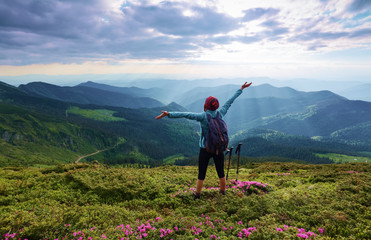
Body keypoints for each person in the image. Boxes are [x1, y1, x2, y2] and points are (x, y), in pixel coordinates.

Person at [155, 82, 252, 199]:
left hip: (205, 149)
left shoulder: (203, 116)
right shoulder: (220, 113)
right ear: (216, 107)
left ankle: (197, 195)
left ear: (205, 106)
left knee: (201, 174)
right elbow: (229, 102)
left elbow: (187, 115)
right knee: (220, 172)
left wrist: (169, 114)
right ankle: (222, 193)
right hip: (218, 148)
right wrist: (241, 89)